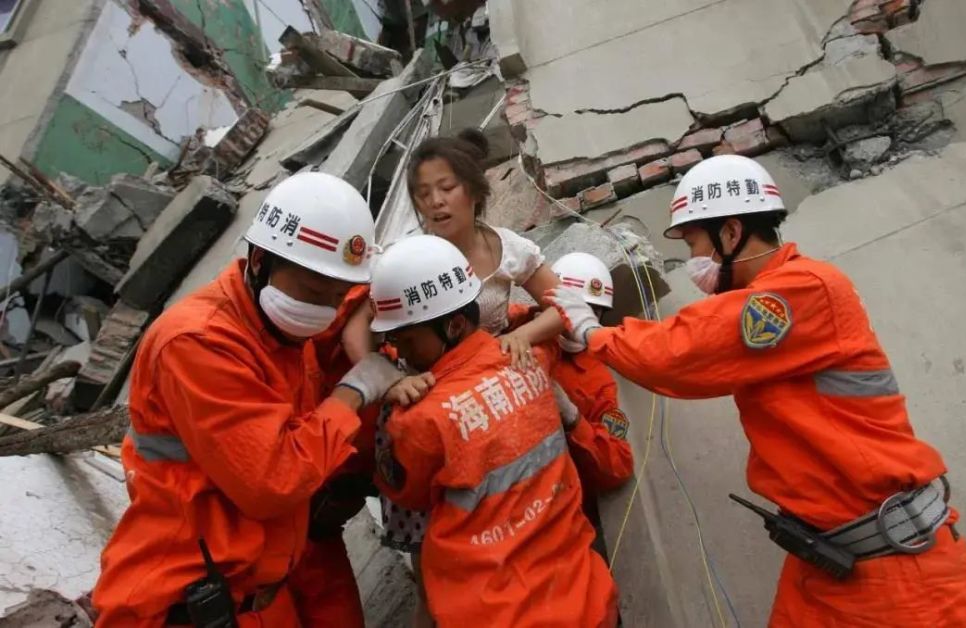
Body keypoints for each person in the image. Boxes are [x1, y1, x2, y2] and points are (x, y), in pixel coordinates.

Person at [546, 154, 966, 626]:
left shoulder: (802, 288)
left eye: (695, 241)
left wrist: (591, 331)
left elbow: (678, 352)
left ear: (730, 233)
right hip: (826, 563)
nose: (693, 260)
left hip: (902, 577)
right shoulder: (783, 293)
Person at [92, 172, 406, 627]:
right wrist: (351, 393)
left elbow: (354, 297)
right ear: (259, 260)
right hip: (186, 605)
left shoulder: (283, 318)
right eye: (315, 294)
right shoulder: (197, 343)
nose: (324, 311)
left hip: (256, 582)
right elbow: (272, 482)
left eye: (336, 297)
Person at [369, 234, 618, 627]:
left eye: (407, 339)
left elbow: (407, 493)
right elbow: (547, 317)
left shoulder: (418, 420)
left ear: (452, 325)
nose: (401, 353)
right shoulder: (532, 356)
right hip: (586, 600)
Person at [508, 252, 634, 545]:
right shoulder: (517, 325)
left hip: (561, 505)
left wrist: (572, 416)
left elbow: (618, 463)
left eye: (592, 311)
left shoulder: (597, 378)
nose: (577, 321)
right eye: (570, 309)